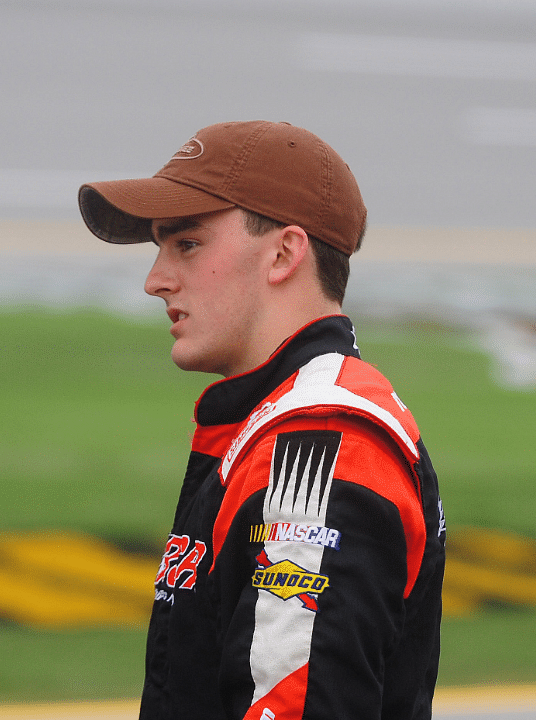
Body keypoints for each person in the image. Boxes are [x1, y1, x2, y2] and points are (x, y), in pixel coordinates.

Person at [77, 121, 445, 719]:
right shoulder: (273, 423)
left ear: (283, 253)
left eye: (187, 244)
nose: (155, 280)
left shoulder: (319, 444)